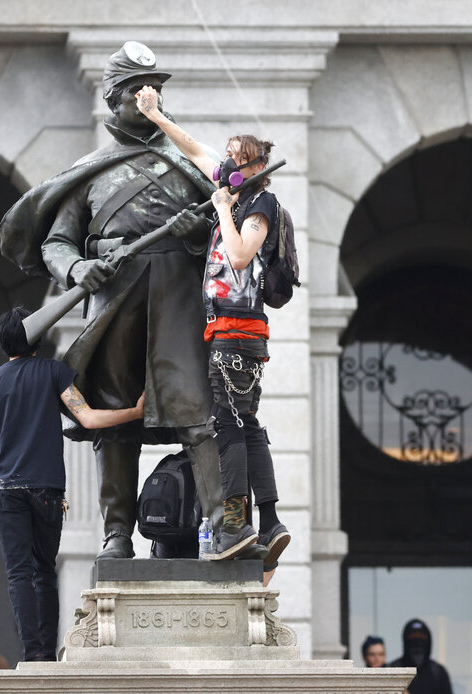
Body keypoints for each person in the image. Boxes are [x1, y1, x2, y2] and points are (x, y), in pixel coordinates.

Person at [0, 40, 224, 560]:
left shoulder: (188, 162)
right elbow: (57, 242)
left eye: (158, 90)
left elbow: (224, 233)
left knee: (197, 412)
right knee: (115, 415)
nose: (152, 98)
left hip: (178, 298)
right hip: (115, 299)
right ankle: (116, 533)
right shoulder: (92, 172)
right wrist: (78, 267)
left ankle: (222, 527)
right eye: (141, 91)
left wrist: (195, 233)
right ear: (115, 98)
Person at [135, 85, 290, 563]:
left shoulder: (259, 204)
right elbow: (195, 149)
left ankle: (238, 523)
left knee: (229, 424)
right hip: (225, 329)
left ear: (257, 168)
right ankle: (269, 520)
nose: (228, 166)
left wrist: (222, 208)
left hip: (238, 330)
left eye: (238, 160)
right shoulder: (237, 190)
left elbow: (242, 257)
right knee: (246, 424)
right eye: (229, 158)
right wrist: (157, 117)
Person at [0, 306, 146, 661]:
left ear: (3, 342)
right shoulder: (53, 372)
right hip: (48, 489)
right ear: (37, 336)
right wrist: (135, 412)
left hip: (6, 491)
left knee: (18, 574)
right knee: (44, 570)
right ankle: (47, 653)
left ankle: (32, 655)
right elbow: (88, 418)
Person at [387, 618, 454, 694]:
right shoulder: (393, 671)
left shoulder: (438, 672)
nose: (417, 644)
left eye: (422, 639)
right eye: (412, 639)